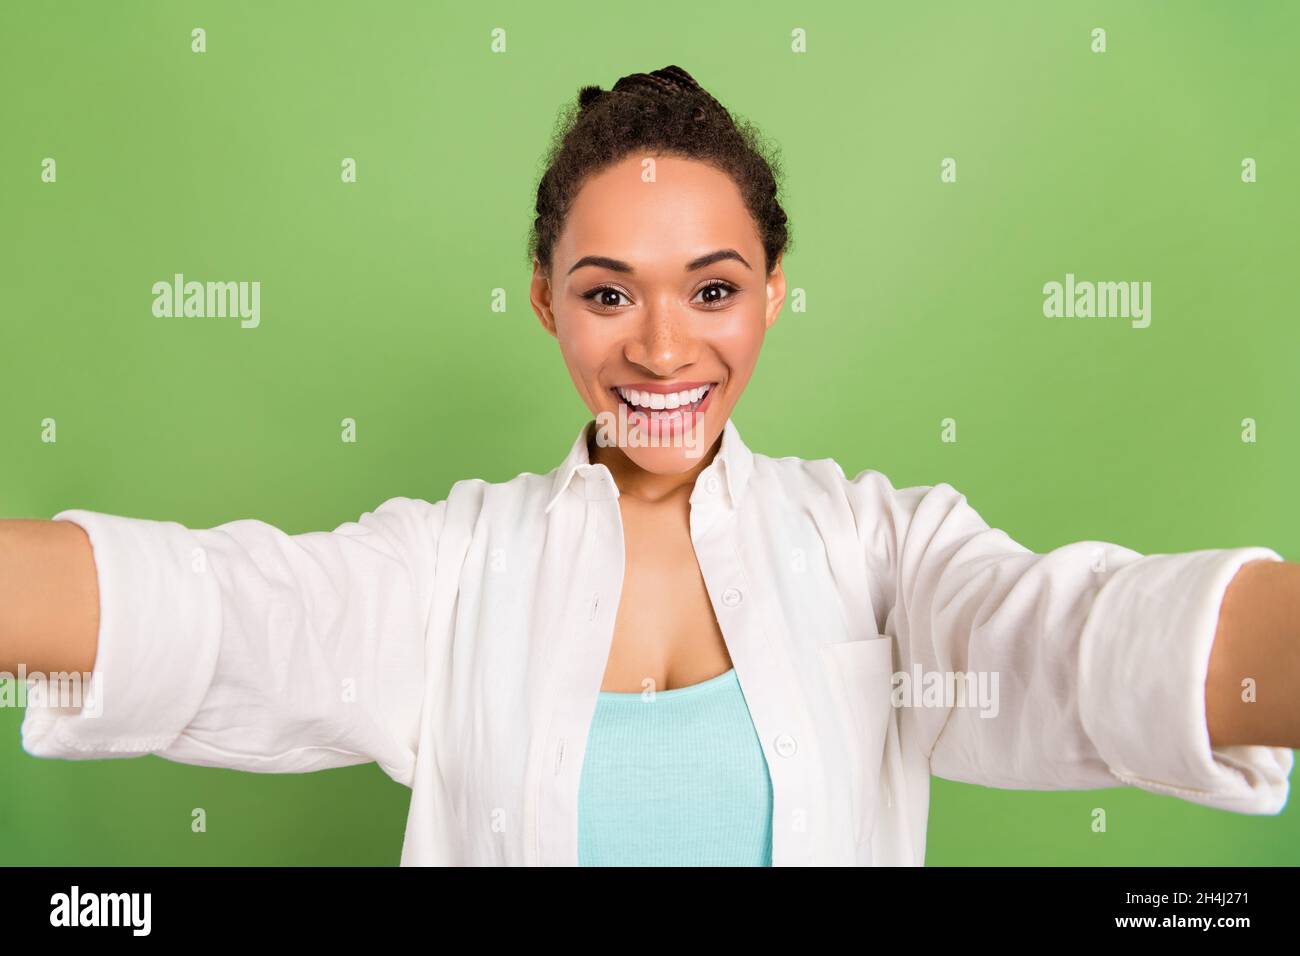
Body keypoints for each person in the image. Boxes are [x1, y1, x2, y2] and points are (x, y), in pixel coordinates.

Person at [2, 65, 1296, 867]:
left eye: (713, 289)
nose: (665, 347)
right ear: (546, 304)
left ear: (774, 295)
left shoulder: (885, 553)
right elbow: (223, 613)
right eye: (609, 292)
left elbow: (1090, 639)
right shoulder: (456, 567)